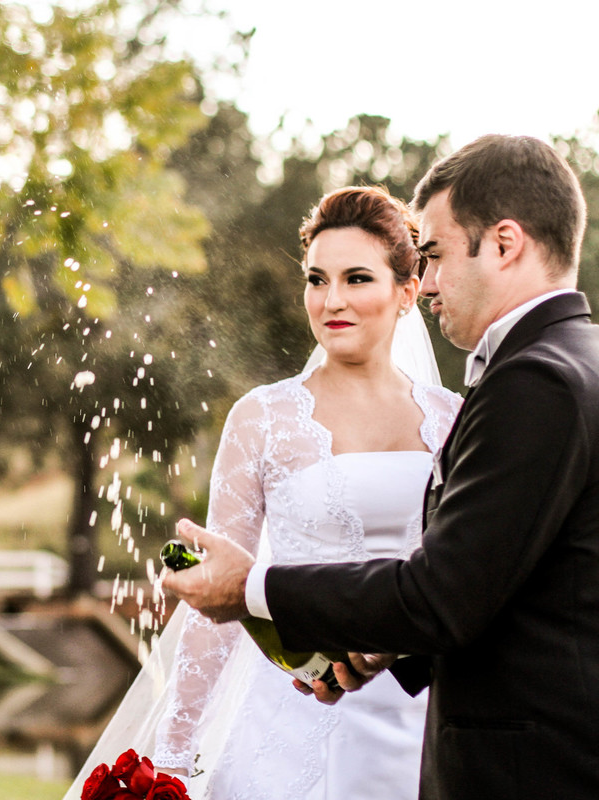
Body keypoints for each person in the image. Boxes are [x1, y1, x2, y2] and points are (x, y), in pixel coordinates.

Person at [164, 134, 599, 800]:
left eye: (435, 256)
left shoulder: (526, 384)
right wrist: (383, 650)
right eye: (316, 279)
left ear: (505, 244)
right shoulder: (575, 363)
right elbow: (504, 574)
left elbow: (444, 592)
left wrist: (251, 588)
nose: (430, 283)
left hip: (508, 756)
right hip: (318, 711)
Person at [62, 185, 461, 799]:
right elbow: (218, 598)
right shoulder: (263, 419)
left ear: (406, 292)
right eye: (316, 279)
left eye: (357, 279)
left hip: (423, 721)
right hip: (288, 720)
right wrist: (172, 753)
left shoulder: (455, 418)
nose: (331, 301)